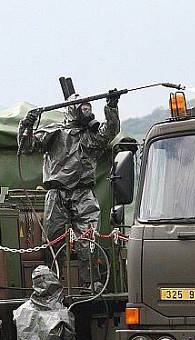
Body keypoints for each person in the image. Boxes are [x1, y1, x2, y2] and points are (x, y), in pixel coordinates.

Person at [18, 93, 120, 291]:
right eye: (83, 108)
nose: (88, 111)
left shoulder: (92, 136)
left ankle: (92, 281)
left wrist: (112, 107)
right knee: (53, 240)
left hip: (84, 194)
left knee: (88, 239)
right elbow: (26, 146)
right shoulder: (54, 133)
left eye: (89, 108)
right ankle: (50, 283)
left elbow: (111, 130)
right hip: (57, 194)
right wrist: (26, 125)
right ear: (73, 109)